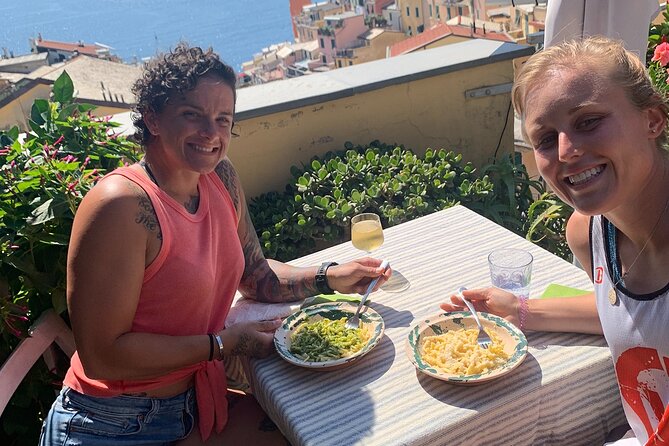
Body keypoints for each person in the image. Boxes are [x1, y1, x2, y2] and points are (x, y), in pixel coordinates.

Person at [39, 43, 391, 445]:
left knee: (324, 430)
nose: (211, 133)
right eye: (193, 115)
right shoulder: (121, 206)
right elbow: (103, 356)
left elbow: (254, 274)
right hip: (115, 423)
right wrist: (222, 345)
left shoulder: (219, 177)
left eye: (223, 119)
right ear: (152, 118)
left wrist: (331, 276)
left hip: (191, 403)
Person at [440, 37, 668, 445]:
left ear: (652, 119)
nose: (565, 151)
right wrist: (522, 310)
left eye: (588, 121)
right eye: (545, 138)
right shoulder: (588, 233)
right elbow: (634, 319)